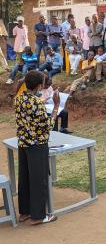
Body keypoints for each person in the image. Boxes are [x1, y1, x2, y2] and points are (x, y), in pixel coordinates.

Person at [15, 70, 59, 225]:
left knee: (25, 178)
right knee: (38, 179)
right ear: (40, 85)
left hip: (23, 144)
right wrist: (56, 106)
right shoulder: (37, 104)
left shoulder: (19, 99)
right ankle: (38, 216)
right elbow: (47, 126)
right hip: (37, 145)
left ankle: (25, 213)